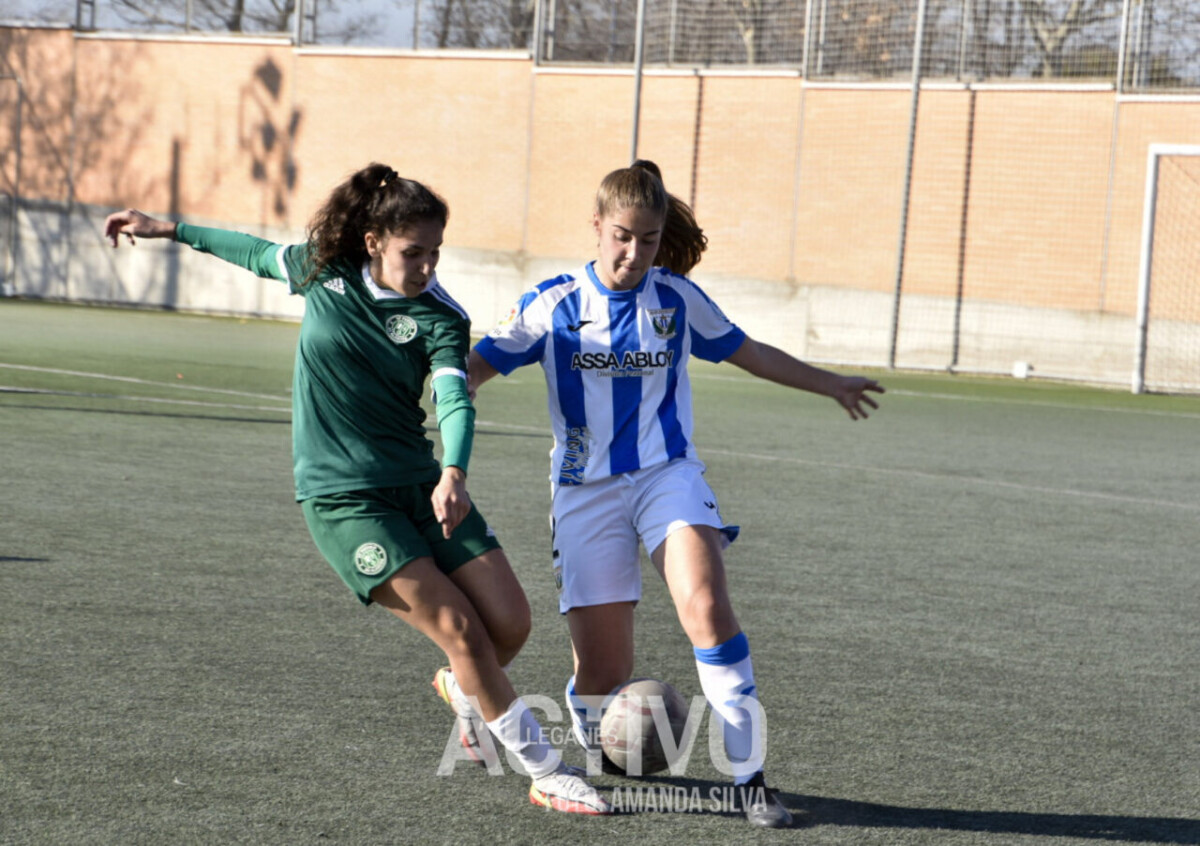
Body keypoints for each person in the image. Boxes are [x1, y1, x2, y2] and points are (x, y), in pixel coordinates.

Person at [102, 163, 610, 816]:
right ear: (373, 241)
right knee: (460, 628)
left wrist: (454, 470)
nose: (425, 266)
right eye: (412, 252)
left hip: (423, 486)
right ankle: (544, 769)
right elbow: (253, 252)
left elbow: (454, 397)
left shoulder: (441, 317)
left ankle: (464, 688)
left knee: (510, 624)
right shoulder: (323, 271)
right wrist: (168, 229)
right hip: (344, 499)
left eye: (435, 253)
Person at [467, 160, 883, 828]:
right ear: (597, 227)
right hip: (584, 493)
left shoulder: (676, 299)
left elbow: (749, 351)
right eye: (624, 236)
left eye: (651, 239)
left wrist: (829, 381)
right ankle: (589, 715)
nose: (635, 252)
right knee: (607, 670)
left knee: (709, 610)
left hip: (668, 476)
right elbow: (476, 365)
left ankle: (752, 783)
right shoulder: (552, 303)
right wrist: (436, 384)